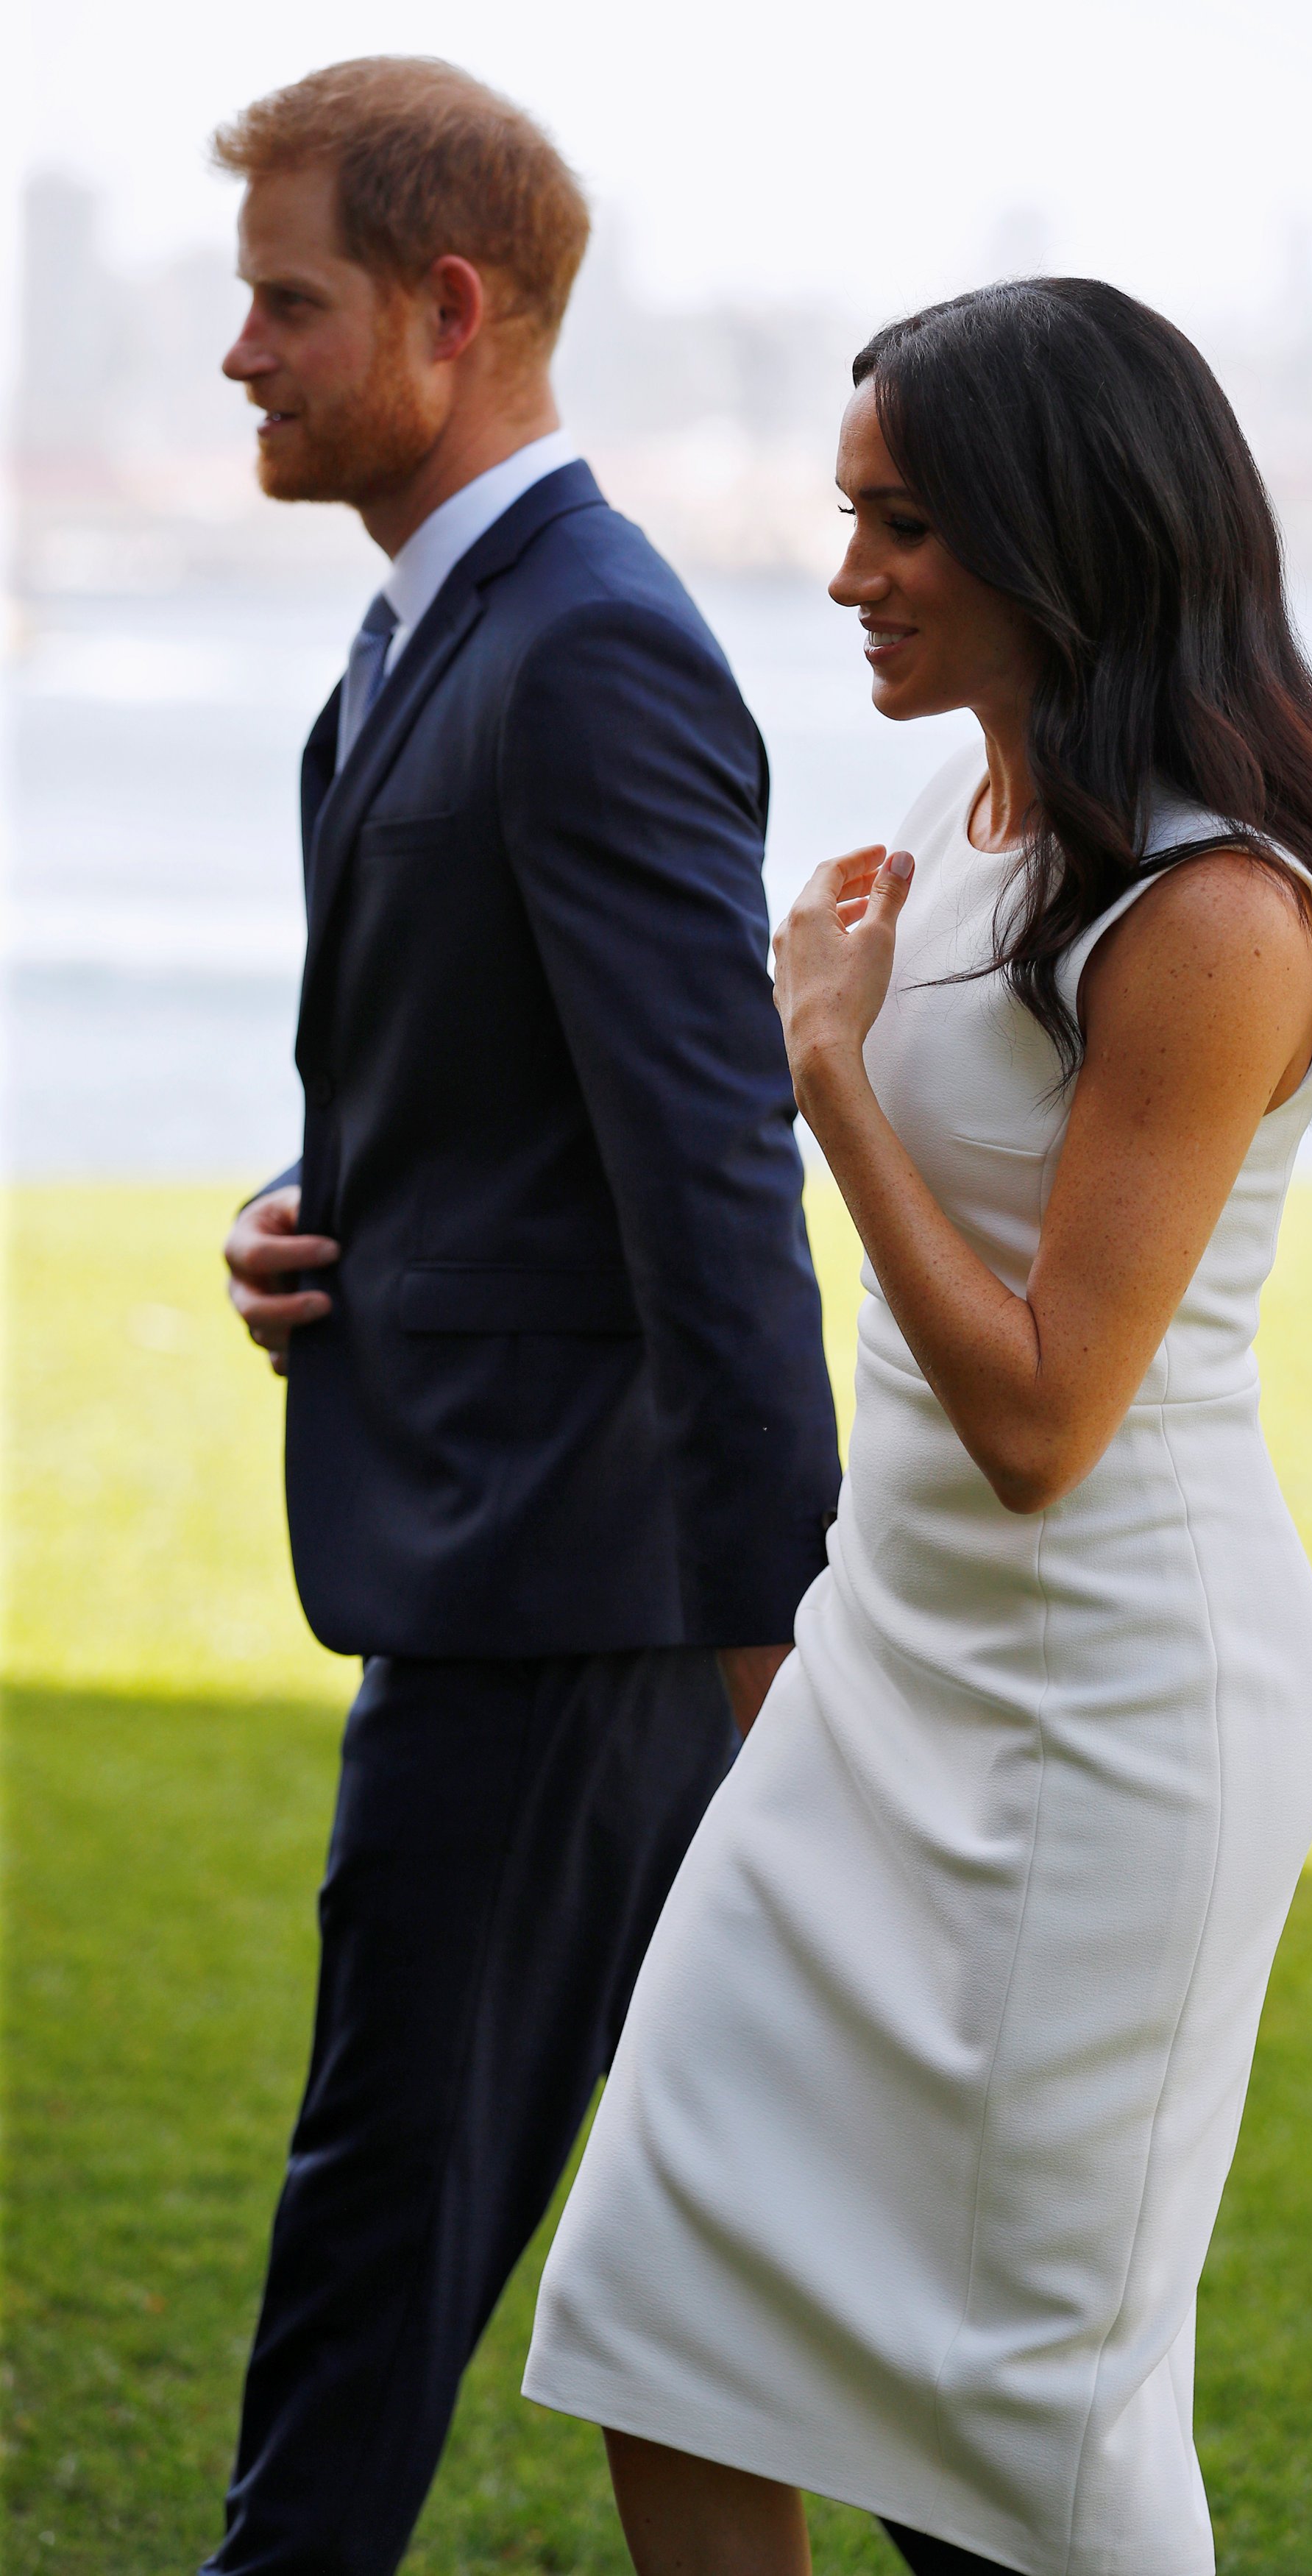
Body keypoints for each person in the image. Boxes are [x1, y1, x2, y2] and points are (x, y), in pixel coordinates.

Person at [523, 280, 1312, 2576]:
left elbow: (1041, 1413)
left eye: (906, 525)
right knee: (654, 2294)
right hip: (882, 1668)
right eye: (850, 517)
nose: (850, 578)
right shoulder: (957, 806)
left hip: (1107, 1723)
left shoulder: (1215, 906)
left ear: (1066, 527)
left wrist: (826, 1068)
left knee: (1024, 2431)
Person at [207, 57, 840, 2576]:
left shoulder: (586, 652)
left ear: (449, 313)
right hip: (492, 1554)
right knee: (531, 2223)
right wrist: (311, 1211)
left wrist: (761, 1628)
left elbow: (713, 1172)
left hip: (579, 1601)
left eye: (288, 303)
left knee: (388, 2231)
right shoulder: (443, 627)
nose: (239, 358)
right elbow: (501, 1093)